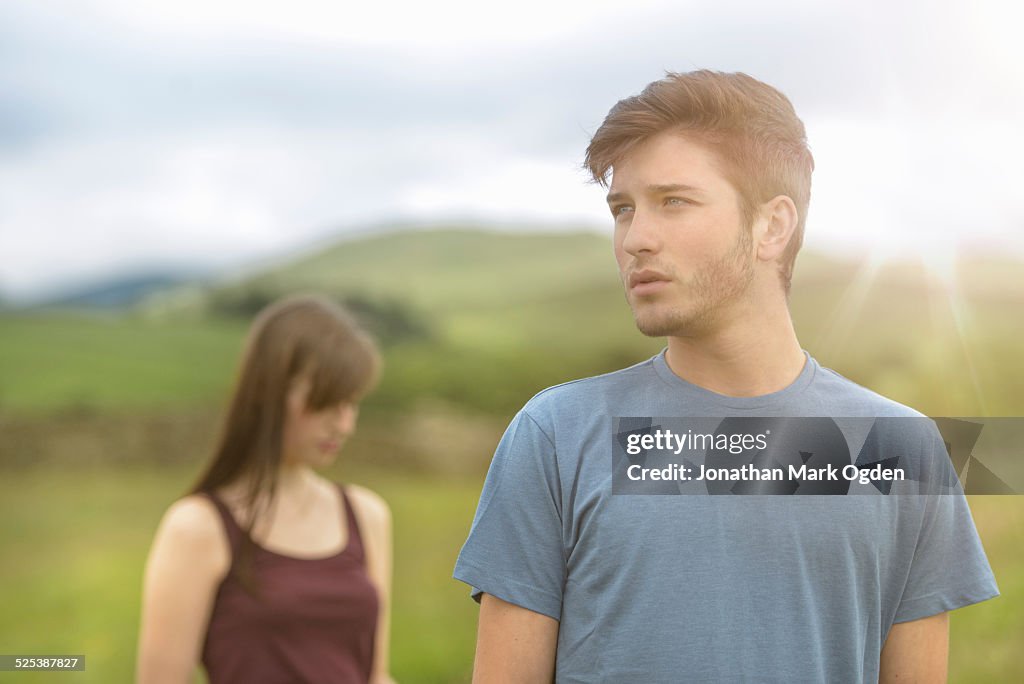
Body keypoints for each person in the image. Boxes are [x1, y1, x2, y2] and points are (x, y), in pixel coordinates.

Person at [454, 71, 998, 682]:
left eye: (673, 202)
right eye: (623, 210)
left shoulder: (906, 449)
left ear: (772, 226)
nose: (636, 239)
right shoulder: (554, 434)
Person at [137, 294, 394, 683]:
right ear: (270, 391)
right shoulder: (197, 527)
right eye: (326, 402)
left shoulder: (366, 514)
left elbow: (375, 675)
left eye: (351, 403)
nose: (344, 426)